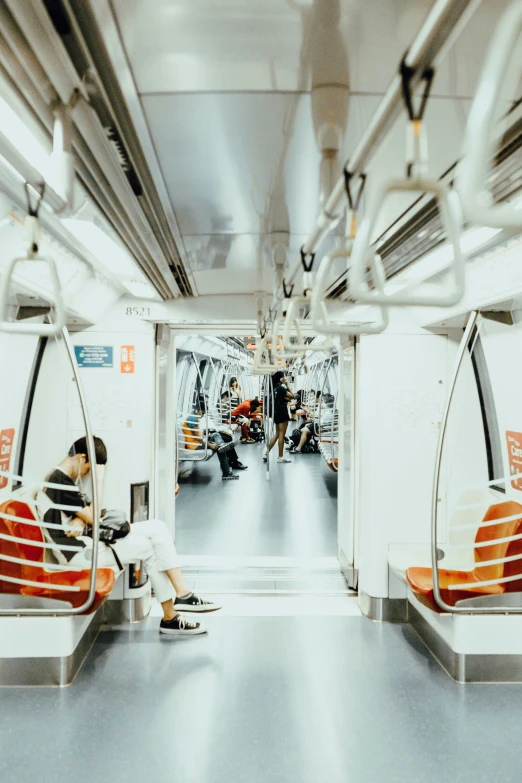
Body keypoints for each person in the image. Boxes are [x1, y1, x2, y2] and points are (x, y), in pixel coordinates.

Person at [44, 436, 220, 637]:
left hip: (84, 544)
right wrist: (98, 483)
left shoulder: (61, 480)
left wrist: (81, 519)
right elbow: (94, 515)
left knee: (157, 527)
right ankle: (171, 616)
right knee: (147, 547)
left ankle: (183, 593)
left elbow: (89, 514)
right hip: (77, 554)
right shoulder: (60, 482)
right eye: (88, 469)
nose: (87, 474)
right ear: (82, 458)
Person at [193, 397, 248, 480]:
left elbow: (200, 434)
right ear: (199, 410)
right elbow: (198, 436)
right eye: (203, 412)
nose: (203, 414)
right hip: (201, 440)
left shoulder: (198, 418)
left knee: (224, 442)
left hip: (208, 434)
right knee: (221, 446)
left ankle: (231, 464)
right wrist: (210, 443)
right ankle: (231, 465)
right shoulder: (193, 419)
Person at [263, 371, 295, 464]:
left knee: (277, 434)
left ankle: (266, 453)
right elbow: (292, 396)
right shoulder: (281, 388)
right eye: (283, 377)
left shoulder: (273, 388)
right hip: (282, 412)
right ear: (280, 378)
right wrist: (287, 385)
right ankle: (280, 457)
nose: (284, 379)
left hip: (275, 413)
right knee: (281, 435)